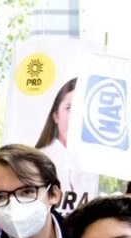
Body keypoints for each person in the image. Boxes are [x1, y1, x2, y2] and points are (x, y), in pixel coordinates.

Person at [35, 78, 99, 214]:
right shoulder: (38, 158)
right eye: (69, 108)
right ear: (56, 116)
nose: (76, 116)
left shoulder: (94, 160)